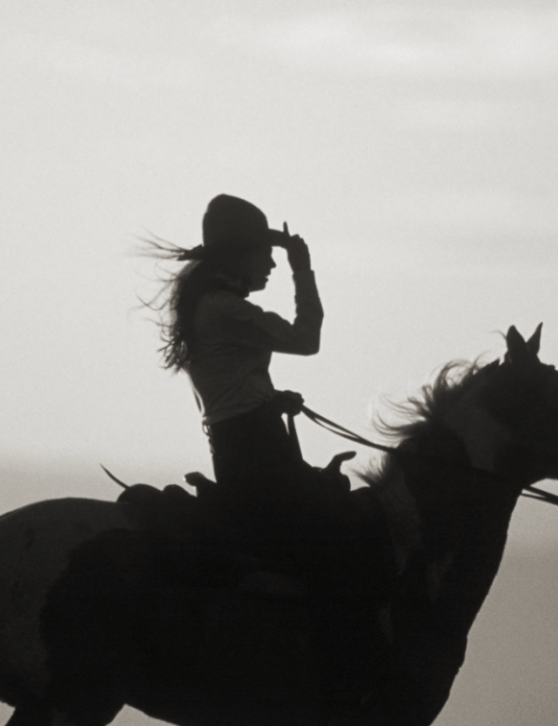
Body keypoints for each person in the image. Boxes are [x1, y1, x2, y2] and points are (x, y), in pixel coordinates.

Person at [152, 195, 391, 683]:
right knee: (337, 550)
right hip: (259, 457)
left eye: (274, 256)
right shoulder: (226, 310)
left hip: (249, 448)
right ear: (237, 257)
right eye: (264, 255)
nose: (270, 264)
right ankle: (335, 671)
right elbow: (308, 339)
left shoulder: (213, 308)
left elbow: (231, 388)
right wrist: (304, 268)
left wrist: (270, 398)